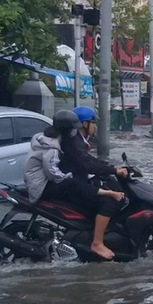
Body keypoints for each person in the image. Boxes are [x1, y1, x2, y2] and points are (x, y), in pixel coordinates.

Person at [27, 110, 125, 260]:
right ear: (82, 124)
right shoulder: (64, 144)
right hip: (48, 186)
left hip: (55, 182)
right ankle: (97, 243)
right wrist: (113, 171)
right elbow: (67, 170)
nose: (94, 127)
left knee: (91, 188)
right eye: (93, 123)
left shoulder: (64, 140)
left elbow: (88, 161)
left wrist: (109, 168)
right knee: (108, 202)